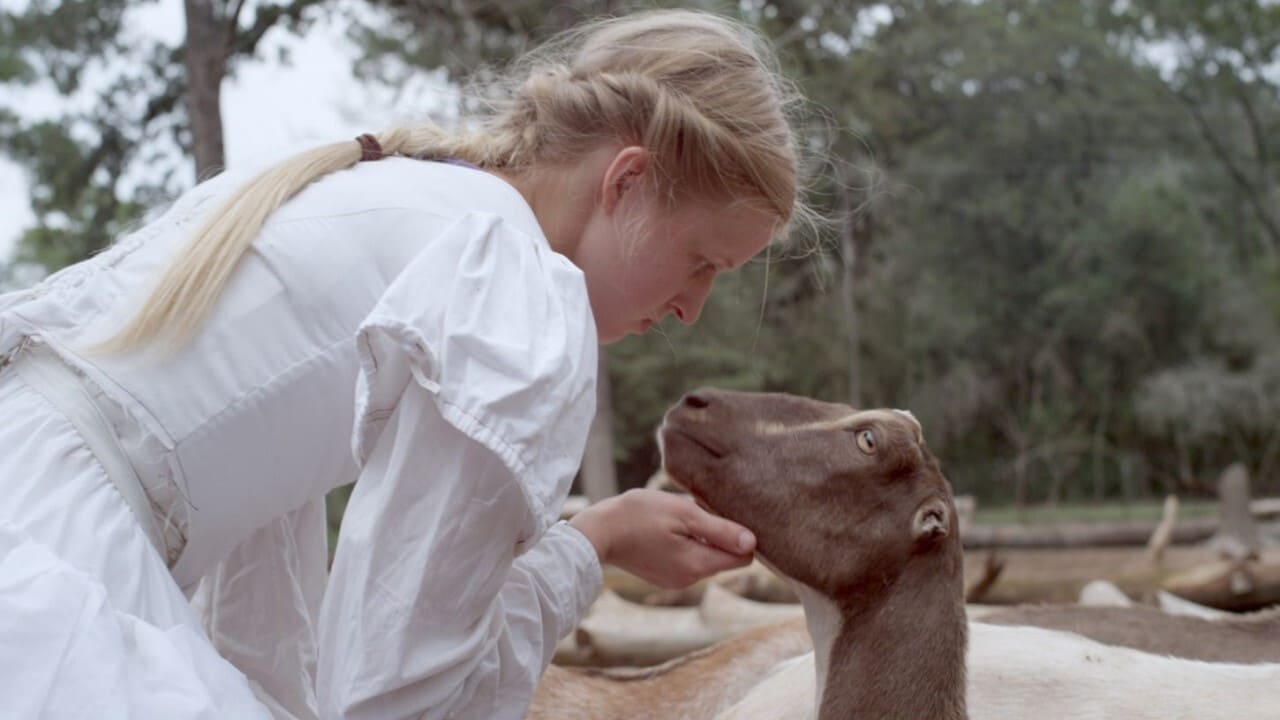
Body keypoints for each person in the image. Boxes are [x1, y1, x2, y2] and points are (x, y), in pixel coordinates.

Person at [0, 8, 806, 720]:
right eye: (702, 261)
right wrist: (587, 551)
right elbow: (399, 694)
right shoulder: (513, 290)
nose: (691, 308)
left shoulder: (395, 193)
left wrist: (601, 534)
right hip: (51, 561)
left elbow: (260, 581)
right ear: (626, 181)